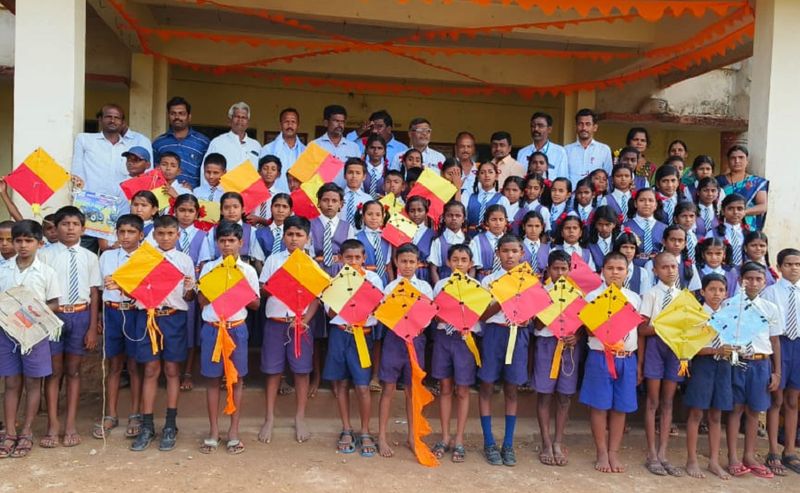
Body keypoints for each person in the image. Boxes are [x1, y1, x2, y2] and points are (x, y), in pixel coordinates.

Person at [127, 215, 195, 452]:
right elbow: (130, 289)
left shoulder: (184, 260)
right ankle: (147, 425)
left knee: (172, 369)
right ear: (153, 235)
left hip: (173, 318)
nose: (165, 238)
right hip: (147, 317)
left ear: (178, 235)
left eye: (170, 234)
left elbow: (189, 296)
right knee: (150, 369)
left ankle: (170, 424)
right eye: (160, 234)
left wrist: (189, 288)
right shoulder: (143, 257)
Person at [38, 206, 102, 449]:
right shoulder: (45, 255)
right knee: (54, 372)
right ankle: (53, 424)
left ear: (83, 229)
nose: (70, 229)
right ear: (56, 228)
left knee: (73, 371)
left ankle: (71, 424)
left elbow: (94, 293)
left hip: (80, 315)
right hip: (53, 316)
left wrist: (92, 328)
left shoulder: (90, 257)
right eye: (65, 224)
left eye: (75, 224)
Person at [0, 220, 62, 458]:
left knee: (34, 382)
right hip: (7, 333)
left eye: (29, 241)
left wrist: (31, 311)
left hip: (35, 333)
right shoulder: (4, 269)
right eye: (19, 241)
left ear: (40, 243)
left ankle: (26, 431)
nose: (23, 245)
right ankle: (9, 433)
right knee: (12, 382)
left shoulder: (46, 272)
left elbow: (56, 302)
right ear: (13, 242)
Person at [197, 220, 260, 455]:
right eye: (222, 241)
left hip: (236, 327)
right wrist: (215, 283)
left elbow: (255, 304)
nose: (227, 245)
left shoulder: (248, 270)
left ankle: (234, 431)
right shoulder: (208, 268)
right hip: (212, 327)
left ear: (241, 243)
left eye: (232, 241)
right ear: (216, 243)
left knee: (236, 380)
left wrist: (236, 285)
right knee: (212, 379)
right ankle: (213, 431)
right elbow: (201, 301)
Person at [258, 216, 319, 444]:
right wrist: (281, 284)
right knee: (273, 371)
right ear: (283, 237)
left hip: (299, 325)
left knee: (302, 371)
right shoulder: (274, 260)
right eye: (290, 234)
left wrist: (306, 319)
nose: (294, 239)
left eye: (299, 235)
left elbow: (315, 299)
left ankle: (300, 416)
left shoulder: (311, 265)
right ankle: (269, 417)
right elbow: (264, 289)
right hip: (275, 321)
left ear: (308, 238)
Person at [579, 252, 641, 473]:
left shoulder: (634, 298)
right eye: (610, 268)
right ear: (602, 271)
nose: (615, 272)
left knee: (620, 407)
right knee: (599, 406)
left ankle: (614, 451)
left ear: (627, 272)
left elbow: (637, 331)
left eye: (620, 269)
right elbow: (588, 329)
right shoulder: (592, 297)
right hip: (600, 356)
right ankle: (602, 452)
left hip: (627, 358)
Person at [323, 239, 383, 457]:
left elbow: (378, 308)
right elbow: (330, 312)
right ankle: (346, 428)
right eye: (349, 258)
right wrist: (345, 300)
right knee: (341, 383)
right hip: (340, 334)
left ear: (365, 258)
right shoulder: (335, 280)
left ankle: (365, 431)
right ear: (340, 259)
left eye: (358, 258)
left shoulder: (373, 279)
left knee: (362, 386)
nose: (354, 261)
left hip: (362, 335)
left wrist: (361, 301)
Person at [726, 262, 783, 478]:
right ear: (740, 281)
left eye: (759, 279)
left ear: (764, 282)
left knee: (753, 411)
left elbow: (775, 341)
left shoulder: (770, 308)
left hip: (761, 364)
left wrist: (776, 372)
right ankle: (732, 456)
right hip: (737, 362)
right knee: (735, 409)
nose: (753, 283)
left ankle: (749, 455)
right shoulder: (730, 306)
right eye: (749, 278)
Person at [376, 243, 433, 458]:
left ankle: (412, 435)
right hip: (394, 340)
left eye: (412, 262)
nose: (408, 266)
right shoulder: (390, 288)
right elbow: (385, 316)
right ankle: (381, 436)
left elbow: (427, 318)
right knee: (388, 388)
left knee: (412, 391)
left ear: (418, 263)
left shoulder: (425, 288)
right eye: (403, 262)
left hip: (416, 341)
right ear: (396, 263)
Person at [477, 234, 528, 466]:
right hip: (494, 334)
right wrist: (501, 298)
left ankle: (508, 443)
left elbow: (534, 315)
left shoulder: (529, 280)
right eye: (505, 251)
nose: (510, 255)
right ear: (498, 253)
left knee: (512, 388)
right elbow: (482, 315)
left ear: (522, 254)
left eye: (514, 251)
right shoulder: (489, 281)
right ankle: (488, 441)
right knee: (486, 385)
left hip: (517, 335)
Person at [95, 215, 145, 440]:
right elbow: (96, 289)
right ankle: (110, 413)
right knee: (114, 364)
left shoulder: (146, 258)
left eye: (131, 232)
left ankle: (135, 413)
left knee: (134, 366)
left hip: (135, 312)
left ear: (141, 235)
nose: (125, 236)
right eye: (122, 231)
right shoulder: (107, 256)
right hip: (112, 312)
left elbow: (146, 290)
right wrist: (97, 316)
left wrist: (124, 286)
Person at [430, 244, 479, 463]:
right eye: (455, 259)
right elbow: (434, 314)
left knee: (463, 390)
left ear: (470, 264)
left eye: (464, 260)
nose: (459, 264)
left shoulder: (476, 287)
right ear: (448, 262)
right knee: (445, 388)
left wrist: (463, 321)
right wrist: (447, 316)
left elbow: (479, 316)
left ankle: (459, 438)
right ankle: (445, 436)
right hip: (444, 339)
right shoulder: (441, 284)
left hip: (464, 341)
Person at [533, 250, 582, 467]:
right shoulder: (541, 292)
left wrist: (577, 336)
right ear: (548, 270)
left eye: (564, 269)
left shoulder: (577, 294)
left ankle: (558, 442)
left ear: (570, 270)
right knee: (544, 395)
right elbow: (537, 325)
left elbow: (583, 324)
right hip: (546, 344)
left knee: (564, 396)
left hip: (568, 348)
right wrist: (552, 304)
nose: (560, 273)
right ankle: (545, 441)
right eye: (556, 269)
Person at [638, 252, 684, 476]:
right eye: (665, 267)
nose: (671, 271)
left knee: (668, 402)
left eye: (674, 266)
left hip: (674, 350)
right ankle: (651, 453)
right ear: (655, 271)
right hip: (656, 347)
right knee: (653, 401)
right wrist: (665, 326)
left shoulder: (682, 297)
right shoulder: (650, 295)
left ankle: (663, 453)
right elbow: (642, 329)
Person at [684, 273, 732, 480]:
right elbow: (689, 348)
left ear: (726, 293)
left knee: (716, 416)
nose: (717, 294)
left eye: (721, 290)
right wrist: (715, 351)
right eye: (712, 289)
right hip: (703, 366)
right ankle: (691, 459)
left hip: (724, 368)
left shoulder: (730, 315)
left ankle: (713, 461)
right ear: (702, 292)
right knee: (696, 414)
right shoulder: (696, 315)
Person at [762, 249, 800, 476]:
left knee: (793, 400)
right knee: (776, 398)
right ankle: (773, 450)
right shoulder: (771, 293)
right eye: (789, 264)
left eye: (797, 264)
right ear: (779, 266)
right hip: (779, 344)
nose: (794, 268)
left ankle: (790, 451)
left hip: (799, 346)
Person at [72, 104, 144, 197]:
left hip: (122, 204)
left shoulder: (130, 148)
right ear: (100, 119)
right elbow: (77, 170)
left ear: (122, 122)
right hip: (91, 201)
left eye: (117, 118)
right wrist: (77, 195)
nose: (112, 120)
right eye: (108, 117)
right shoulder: (84, 139)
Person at [152, 96, 210, 189]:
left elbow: (209, 170)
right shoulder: (159, 142)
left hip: (193, 196)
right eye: (173, 113)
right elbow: (154, 171)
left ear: (189, 116)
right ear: (168, 116)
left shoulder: (203, 142)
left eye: (181, 113)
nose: (177, 117)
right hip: (164, 194)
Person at [202, 102, 261, 187]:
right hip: (223, 195)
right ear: (230, 120)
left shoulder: (256, 145)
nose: (240, 120)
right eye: (237, 117)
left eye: (244, 117)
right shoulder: (218, 142)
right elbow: (206, 170)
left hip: (249, 196)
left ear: (248, 122)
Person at [716, 145, 768, 231]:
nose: (737, 161)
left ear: (747, 161)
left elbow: (763, 206)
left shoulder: (756, 182)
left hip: (749, 227)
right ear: (728, 161)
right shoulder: (718, 181)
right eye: (733, 158)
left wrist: (742, 213)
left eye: (741, 157)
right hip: (724, 226)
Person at [311, 183, 355, 276]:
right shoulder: (310, 225)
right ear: (318, 202)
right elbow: (306, 252)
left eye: (334, 201)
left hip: (340, 272)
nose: (330, 204)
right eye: (325, 200)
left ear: (341, 204)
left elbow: (351, 252)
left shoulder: (347, 227)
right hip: (315, 269)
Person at [260, 107, 306, 193]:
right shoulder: (268, 149)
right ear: (280, 124)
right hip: (274, 199)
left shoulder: (306, 151)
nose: (290, 125)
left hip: (298, 200)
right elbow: (261, 177)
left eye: (293, 122)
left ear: (298, 125)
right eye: (286, 122)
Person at [564, 108, 612, 187]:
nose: (584, 128)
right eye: (580, 124)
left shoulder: (604, 150)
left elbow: (608, 176)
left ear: (595, 127)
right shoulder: (566, 150)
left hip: (597, 197)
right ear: (576, 127)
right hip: (572, 197)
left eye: (588, 124)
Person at [462, 162, 511, 237]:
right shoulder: (470, 197)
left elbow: (506, 225)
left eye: (490, 172)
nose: (487, 175)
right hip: (471, 239)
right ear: (478, 176)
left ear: (496, 176)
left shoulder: (503, 200)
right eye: (482, 172)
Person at [516, 112, 568, 179]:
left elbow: (562, 180)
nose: (536, 129)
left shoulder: (559, 152)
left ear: (549, 129)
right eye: (533, 126)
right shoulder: (522, 153)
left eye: (540, 126)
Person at [623, 188, 667, 266]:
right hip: (633, 266)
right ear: (635, 204)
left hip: (658, 266)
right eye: (642, 200)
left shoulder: (664, 228)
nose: (646, 203)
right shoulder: (625, 226)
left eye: (650, 200)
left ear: (656, 205)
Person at [312, 105, 360, 171]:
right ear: (326, 123)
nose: (340, 125)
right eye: (336, 121)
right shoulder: (315, 146)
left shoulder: (354, 147)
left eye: (342, 121)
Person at [429, 200, 467, 285]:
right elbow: (433, 269)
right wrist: (440, 287)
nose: (454, 218)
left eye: (458, 216)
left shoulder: (469, 241)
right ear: (444, 218)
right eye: (450, 215)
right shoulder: (438, 241)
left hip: (465, 285)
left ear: (463, 219)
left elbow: (472, 269)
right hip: (444, 283)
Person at [469, 205, 509, 281]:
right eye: (493, 219)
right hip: (484, 279)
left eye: (501, 219)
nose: (497, 223)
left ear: (505, 221)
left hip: (505, 280)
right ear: (487, 221)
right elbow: (473, 268)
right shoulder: (477, 239)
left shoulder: (509, 240)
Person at [247, 155, 284, 225]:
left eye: (273, 169)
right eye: (265, 168)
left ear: (278, 174)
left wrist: (260, 220)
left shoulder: (281, 196)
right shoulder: (250, 193)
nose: (269, 172)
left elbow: (283, 222)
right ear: (259, 172)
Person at [340, 158, 373, 224]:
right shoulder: (337, 196)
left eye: (358, 173)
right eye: (350, 172)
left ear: (364, 177)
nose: (354, 176)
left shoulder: (368, 199)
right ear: (344, 175)